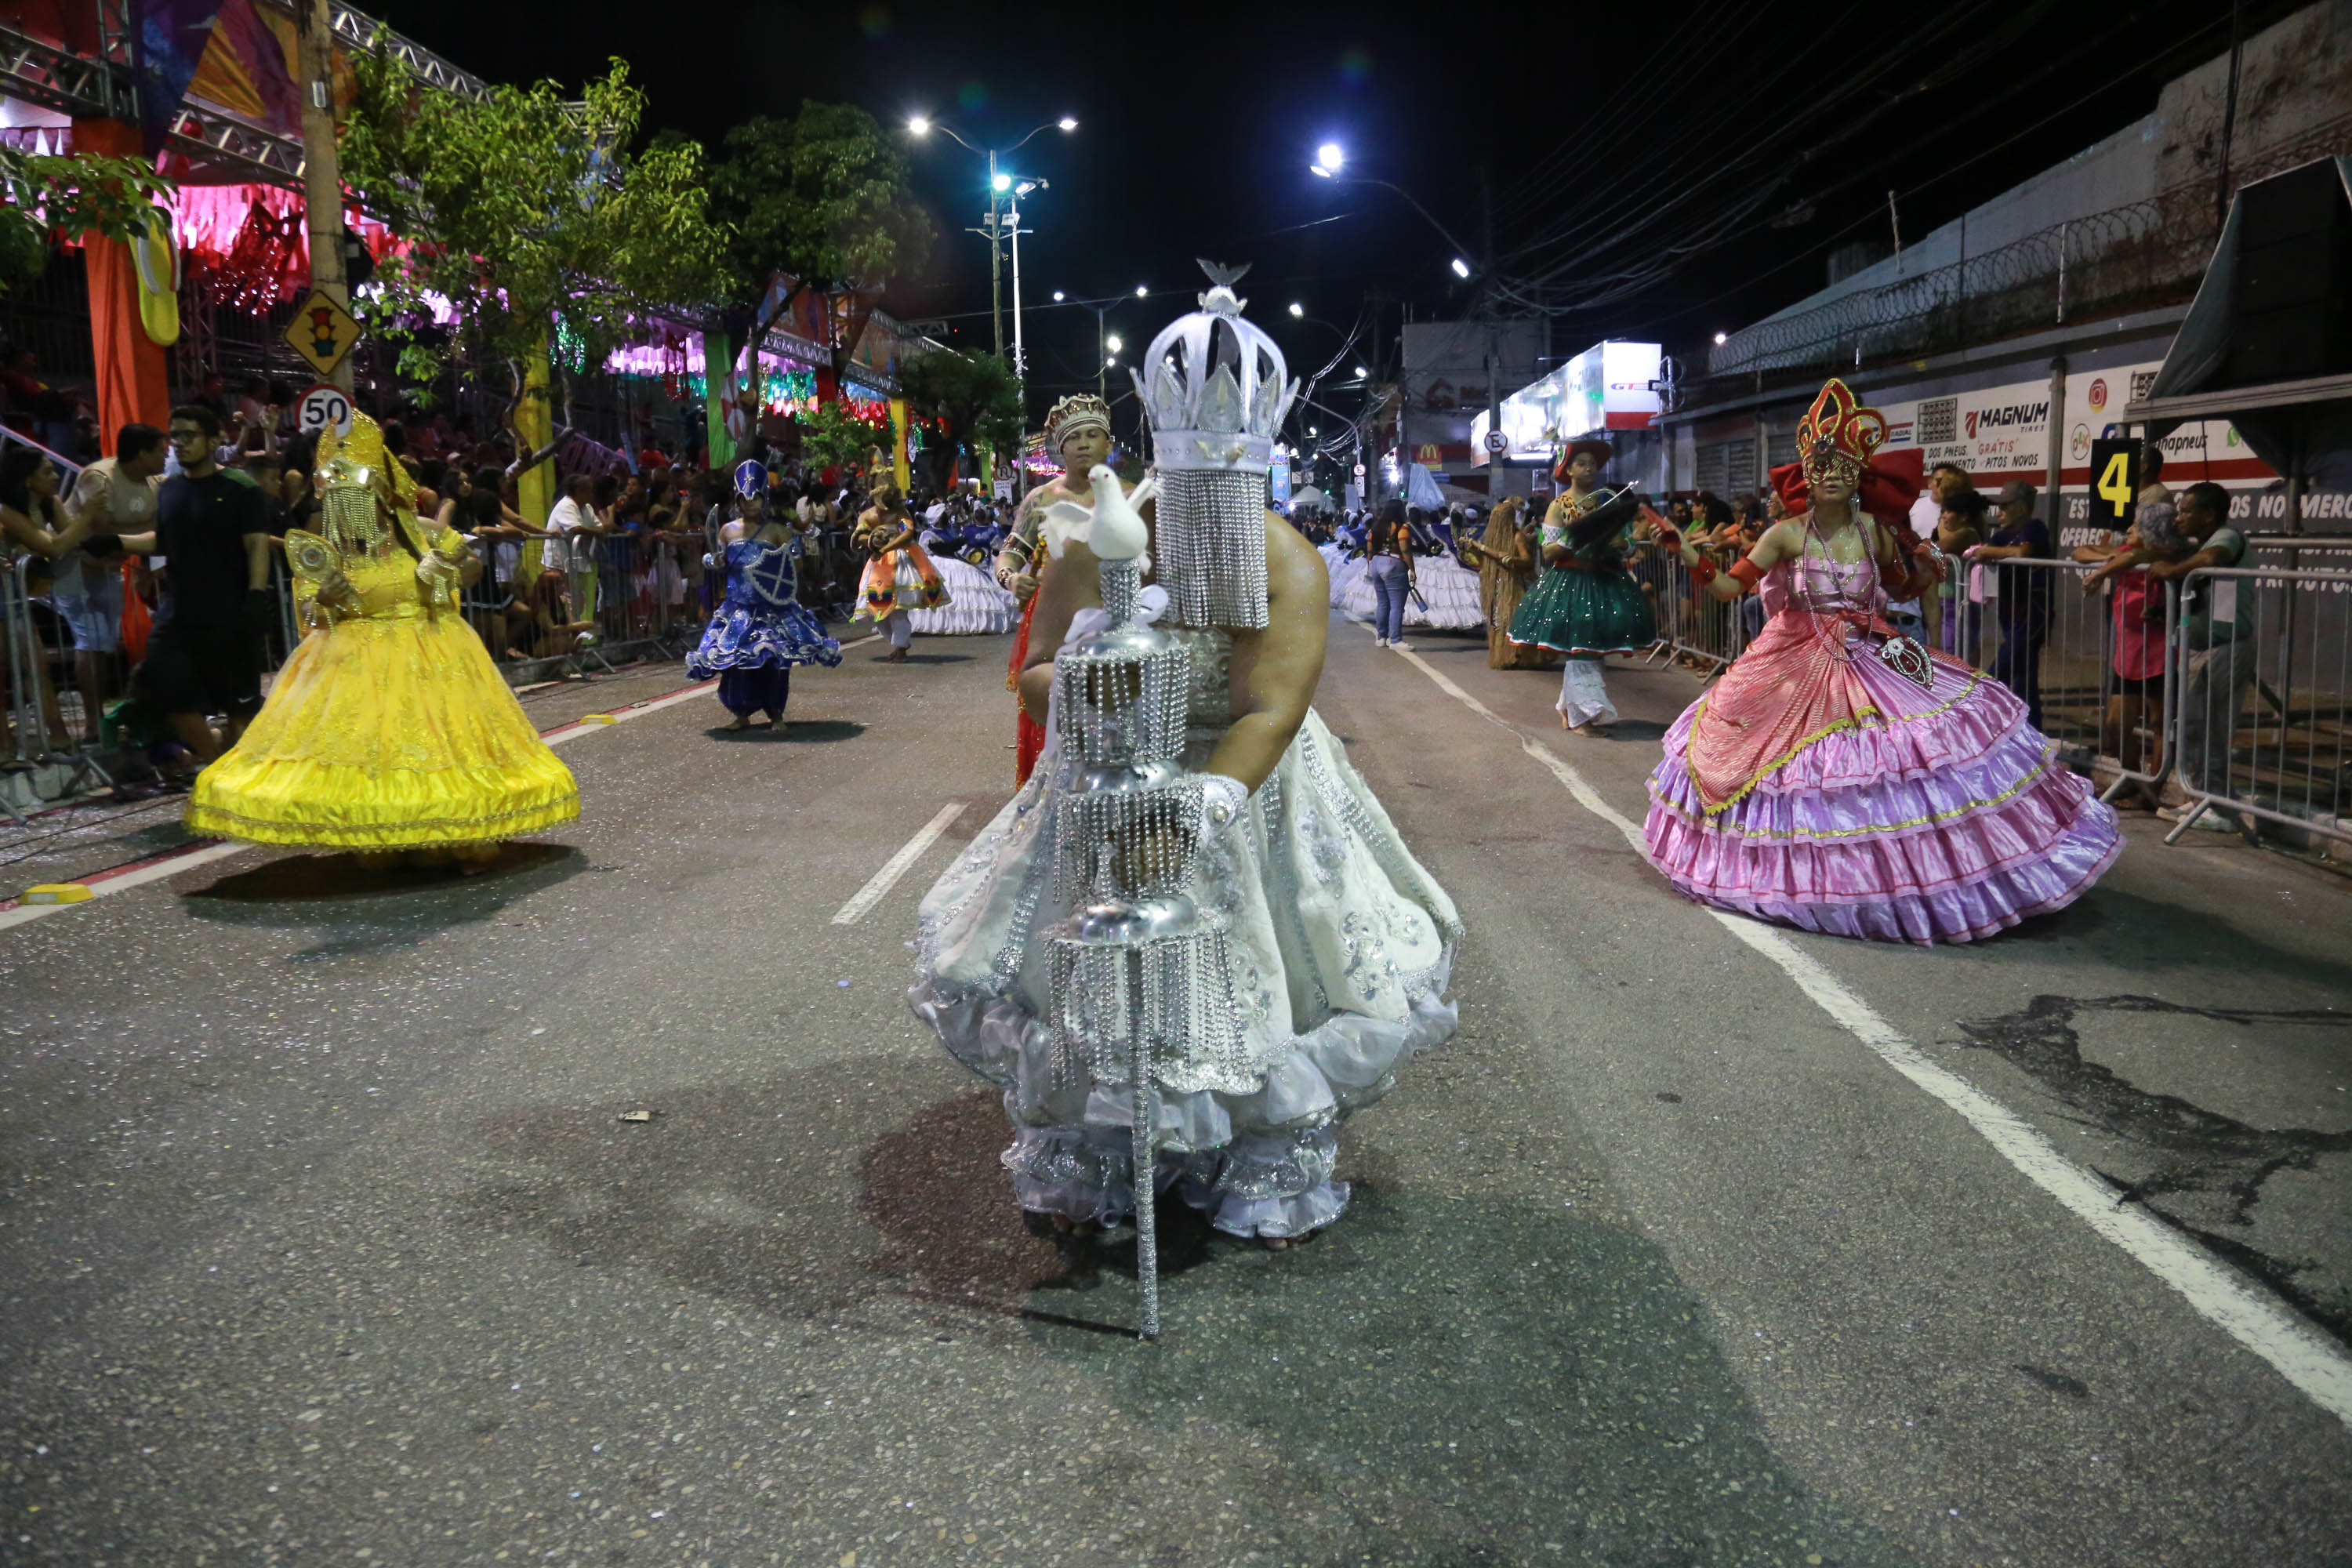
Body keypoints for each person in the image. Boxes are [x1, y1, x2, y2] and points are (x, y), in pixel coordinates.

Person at [910, 264, 1459, 1250]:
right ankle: (1110, 1145)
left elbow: (1272, 707)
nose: (1207, 522)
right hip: (1112, 782)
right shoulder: (1096, 545)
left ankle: (1255, 1143)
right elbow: (1033, 668)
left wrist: (1200, 806)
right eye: (1192, 498)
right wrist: (1097, 682)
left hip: (1243, 793)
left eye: (1226, 499)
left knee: (1268, 979)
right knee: (1091, 979)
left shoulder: (1286, 556)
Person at [1643, 378, 2119, 943]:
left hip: (1877, 647)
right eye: (1820, 466)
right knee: (1795, 763)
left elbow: (1902, 588)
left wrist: (1928, 568)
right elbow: (1727, 587)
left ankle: (1937, 875)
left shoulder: (1876, 532)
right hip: (1796, 654)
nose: (1830, 475)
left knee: (1928, 741)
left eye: (1843, 466)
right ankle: (1810, 878)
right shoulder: (1784, 534)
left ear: (1858, 476)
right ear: (1806, 475)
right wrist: (1688, 552)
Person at [185, 412, 578, 865]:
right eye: (339, 502)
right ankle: (382, 833)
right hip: (355, 670)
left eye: (357, 500)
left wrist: (441, 571)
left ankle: (448, 832)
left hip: (432, 657)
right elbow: (309, 615)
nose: (349, 513)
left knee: (437, 752)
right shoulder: (327, 549)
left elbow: (468, 568)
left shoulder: (416, 532)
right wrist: (326, 602)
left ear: (380, 496)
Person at [2089, 480, 2249, 832]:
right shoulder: (2195, 543)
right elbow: (2153, 557)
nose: (2180, 518)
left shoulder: (2226, 538)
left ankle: (2217, 806)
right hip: (2201, 645)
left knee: (2213, 729)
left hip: (2226, 644)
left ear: (2208, 515)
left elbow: (2209, 561)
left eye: (2188, 511)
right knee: (2193, 727)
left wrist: (2171, 571)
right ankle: (2201, 798)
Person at [122, 406, 273, 767]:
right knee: (165, 685)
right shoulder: (170, 488)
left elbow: (257, 544)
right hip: (179, 611)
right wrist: (116, 541)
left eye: (189, 435)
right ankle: (214, 765)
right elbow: (162, 541)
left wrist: (255, 595)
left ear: (214, 438)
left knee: (238, 703)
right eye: (175, 436)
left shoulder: (242, 488)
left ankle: (237, 771)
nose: (180, 444)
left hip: (231, 608)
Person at [1000, 395, 1120, 784]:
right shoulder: (1042, 500)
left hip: (1117, 618)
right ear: (1061, 448)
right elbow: (1009, 555)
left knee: (1116, 711)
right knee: (1050, 708)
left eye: (1092, 435)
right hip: (1052, 625)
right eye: (1073, 438)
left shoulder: (1134, 497)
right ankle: (1048, 797)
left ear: (1109, 444)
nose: (1083, 443)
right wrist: (1012, 579)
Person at [1508, 439, 1657, 735]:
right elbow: (1549, 551)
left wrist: (1622, 543)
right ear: (1569, 471)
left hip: (1604, 582)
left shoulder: (1608, 503)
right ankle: (1581, 717)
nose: (1589, 467)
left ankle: (1571, 710)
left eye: (1592, 463)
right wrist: (1579, 532)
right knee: (1583, 650)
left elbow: (1627, 543)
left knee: (1590, 650)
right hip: (1571, 584)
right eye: (1582, 463)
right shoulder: (1559, 505)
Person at [687, 459, 841, 730]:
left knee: (773, 662)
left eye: (756, 498)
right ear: (737, 500)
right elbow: (718, 560)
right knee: (735, 663)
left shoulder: (778, 531)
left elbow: (795, 566)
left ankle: (776, 714)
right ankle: (741, 714)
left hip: (773, 609)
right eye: (745, 499)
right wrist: (713, 561)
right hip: (737, 609)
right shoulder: (726, 530)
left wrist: (790, 557)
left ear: (764, 498)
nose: (751, 504)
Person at [56, 429, 167, 742]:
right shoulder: (98, 477)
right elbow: (101, 532)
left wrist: (147, 561)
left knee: (103, 644)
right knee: (89, 640)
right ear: (143, 454)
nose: (165, 456)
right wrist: (140, 536)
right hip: (73, 567)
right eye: (160, 451)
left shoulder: (157, 483)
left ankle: (101, 718)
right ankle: (93, 722)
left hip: (109, 568)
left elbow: (158, 532)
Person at [2, 445, 106, 747]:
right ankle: (7, 746)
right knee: (11, 671)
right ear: (26, 479)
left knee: (37, 668)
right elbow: (54, 547)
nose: (56, 475)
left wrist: (83, 524)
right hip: (5, 594)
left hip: (17, 594)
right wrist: (86, 515)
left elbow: (71, 541)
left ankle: (59, 737)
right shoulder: (6, 510)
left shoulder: (50, 502)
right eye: (47, 471)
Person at [1965, 479, 2053, 728]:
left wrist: (1986, 552)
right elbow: (1983, 550)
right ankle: (2032, 729)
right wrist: (1986, 551)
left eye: (2005, 506)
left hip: (2033, 615)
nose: (1999, 512)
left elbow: (2020, 553)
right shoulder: (2002, 535)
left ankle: (1977, 719)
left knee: (1999, 670)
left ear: (2022, 509)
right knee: (2025, 676)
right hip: (2009, 614)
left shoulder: (2035, 528)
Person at [1456, 494, 1558, 669]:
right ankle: (1507, 655)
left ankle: (1520, 654)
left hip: (1515, 585)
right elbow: (1483, 560)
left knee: (1514, 620)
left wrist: (1510, 559)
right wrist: (1472, 549)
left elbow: (1527, 562)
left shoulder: (1517, 536)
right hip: (1498, 585)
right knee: (1499, 621)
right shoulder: (1492, 537)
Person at [853, 482, 946, 662]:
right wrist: (873, 543)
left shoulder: (901, 512)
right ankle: (898, 644)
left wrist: (886, 547)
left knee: (898, 609)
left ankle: (901, 647)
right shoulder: (867, 515)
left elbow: (908, 533)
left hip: (902, 562)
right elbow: (860, 535)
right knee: (877, 612)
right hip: (879, 565)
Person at [1363, 498, 1416, 648]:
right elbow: (1405, 549)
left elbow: (1369, 548)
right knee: (1397, 605)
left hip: (1376, 563)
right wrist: (1412, 569)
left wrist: (1370, 565)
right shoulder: (1402, 527)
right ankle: (1396, 640)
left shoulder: (1376, 527)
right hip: (1393, 564)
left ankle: (1381, 637)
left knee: (1382, 603)